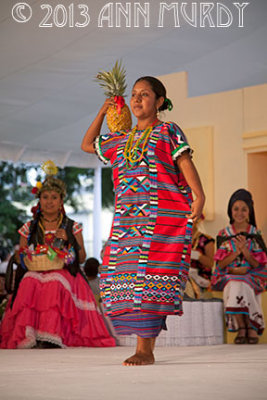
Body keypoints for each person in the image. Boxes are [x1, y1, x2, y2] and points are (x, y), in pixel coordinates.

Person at [81, 76, 205, 365]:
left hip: (160, 218)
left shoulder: (168, 131)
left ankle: (145, 349)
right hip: (126, 223)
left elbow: (184, 161)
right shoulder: (120, 138)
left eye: (145, 94)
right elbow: (87, 144)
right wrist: (103, 112)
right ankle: (144, 341)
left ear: (159, 102)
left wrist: (199, 195)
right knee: (119, 274)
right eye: (134, 94)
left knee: (149, 277)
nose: (137, 99)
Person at [0, 171, 116, 349]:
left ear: (61, 201)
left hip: (64, 271)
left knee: (55, 282)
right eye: (45, 197)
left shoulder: (72, 226)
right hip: (35, 269)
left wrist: (69, 239)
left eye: (54, 197)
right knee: (29, 281)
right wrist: (25, 255)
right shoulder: (29, 227)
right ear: (39, 200)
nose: (49, 201)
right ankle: (29, 336)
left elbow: (83, 257)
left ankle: (51, 337)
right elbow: (19, 255)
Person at [211, 189, 267, 344]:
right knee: (235, 281)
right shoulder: (225, 233)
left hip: (252, 275)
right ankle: (242, 326)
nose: (240, 213)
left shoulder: (255, 233)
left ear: (249, 211)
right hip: (229, 274)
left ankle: (250, 326)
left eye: (244, 209)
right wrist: (236, 253)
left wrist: (246, 252)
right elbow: (220, 264)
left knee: (244, 282)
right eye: (236, 209)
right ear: (230, 211)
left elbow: (259, 264)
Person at [185, 217, 215, 299]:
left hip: (201, 280)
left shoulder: (207, 240)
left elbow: (210, 263)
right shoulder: (179, 239)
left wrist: (198, 256)